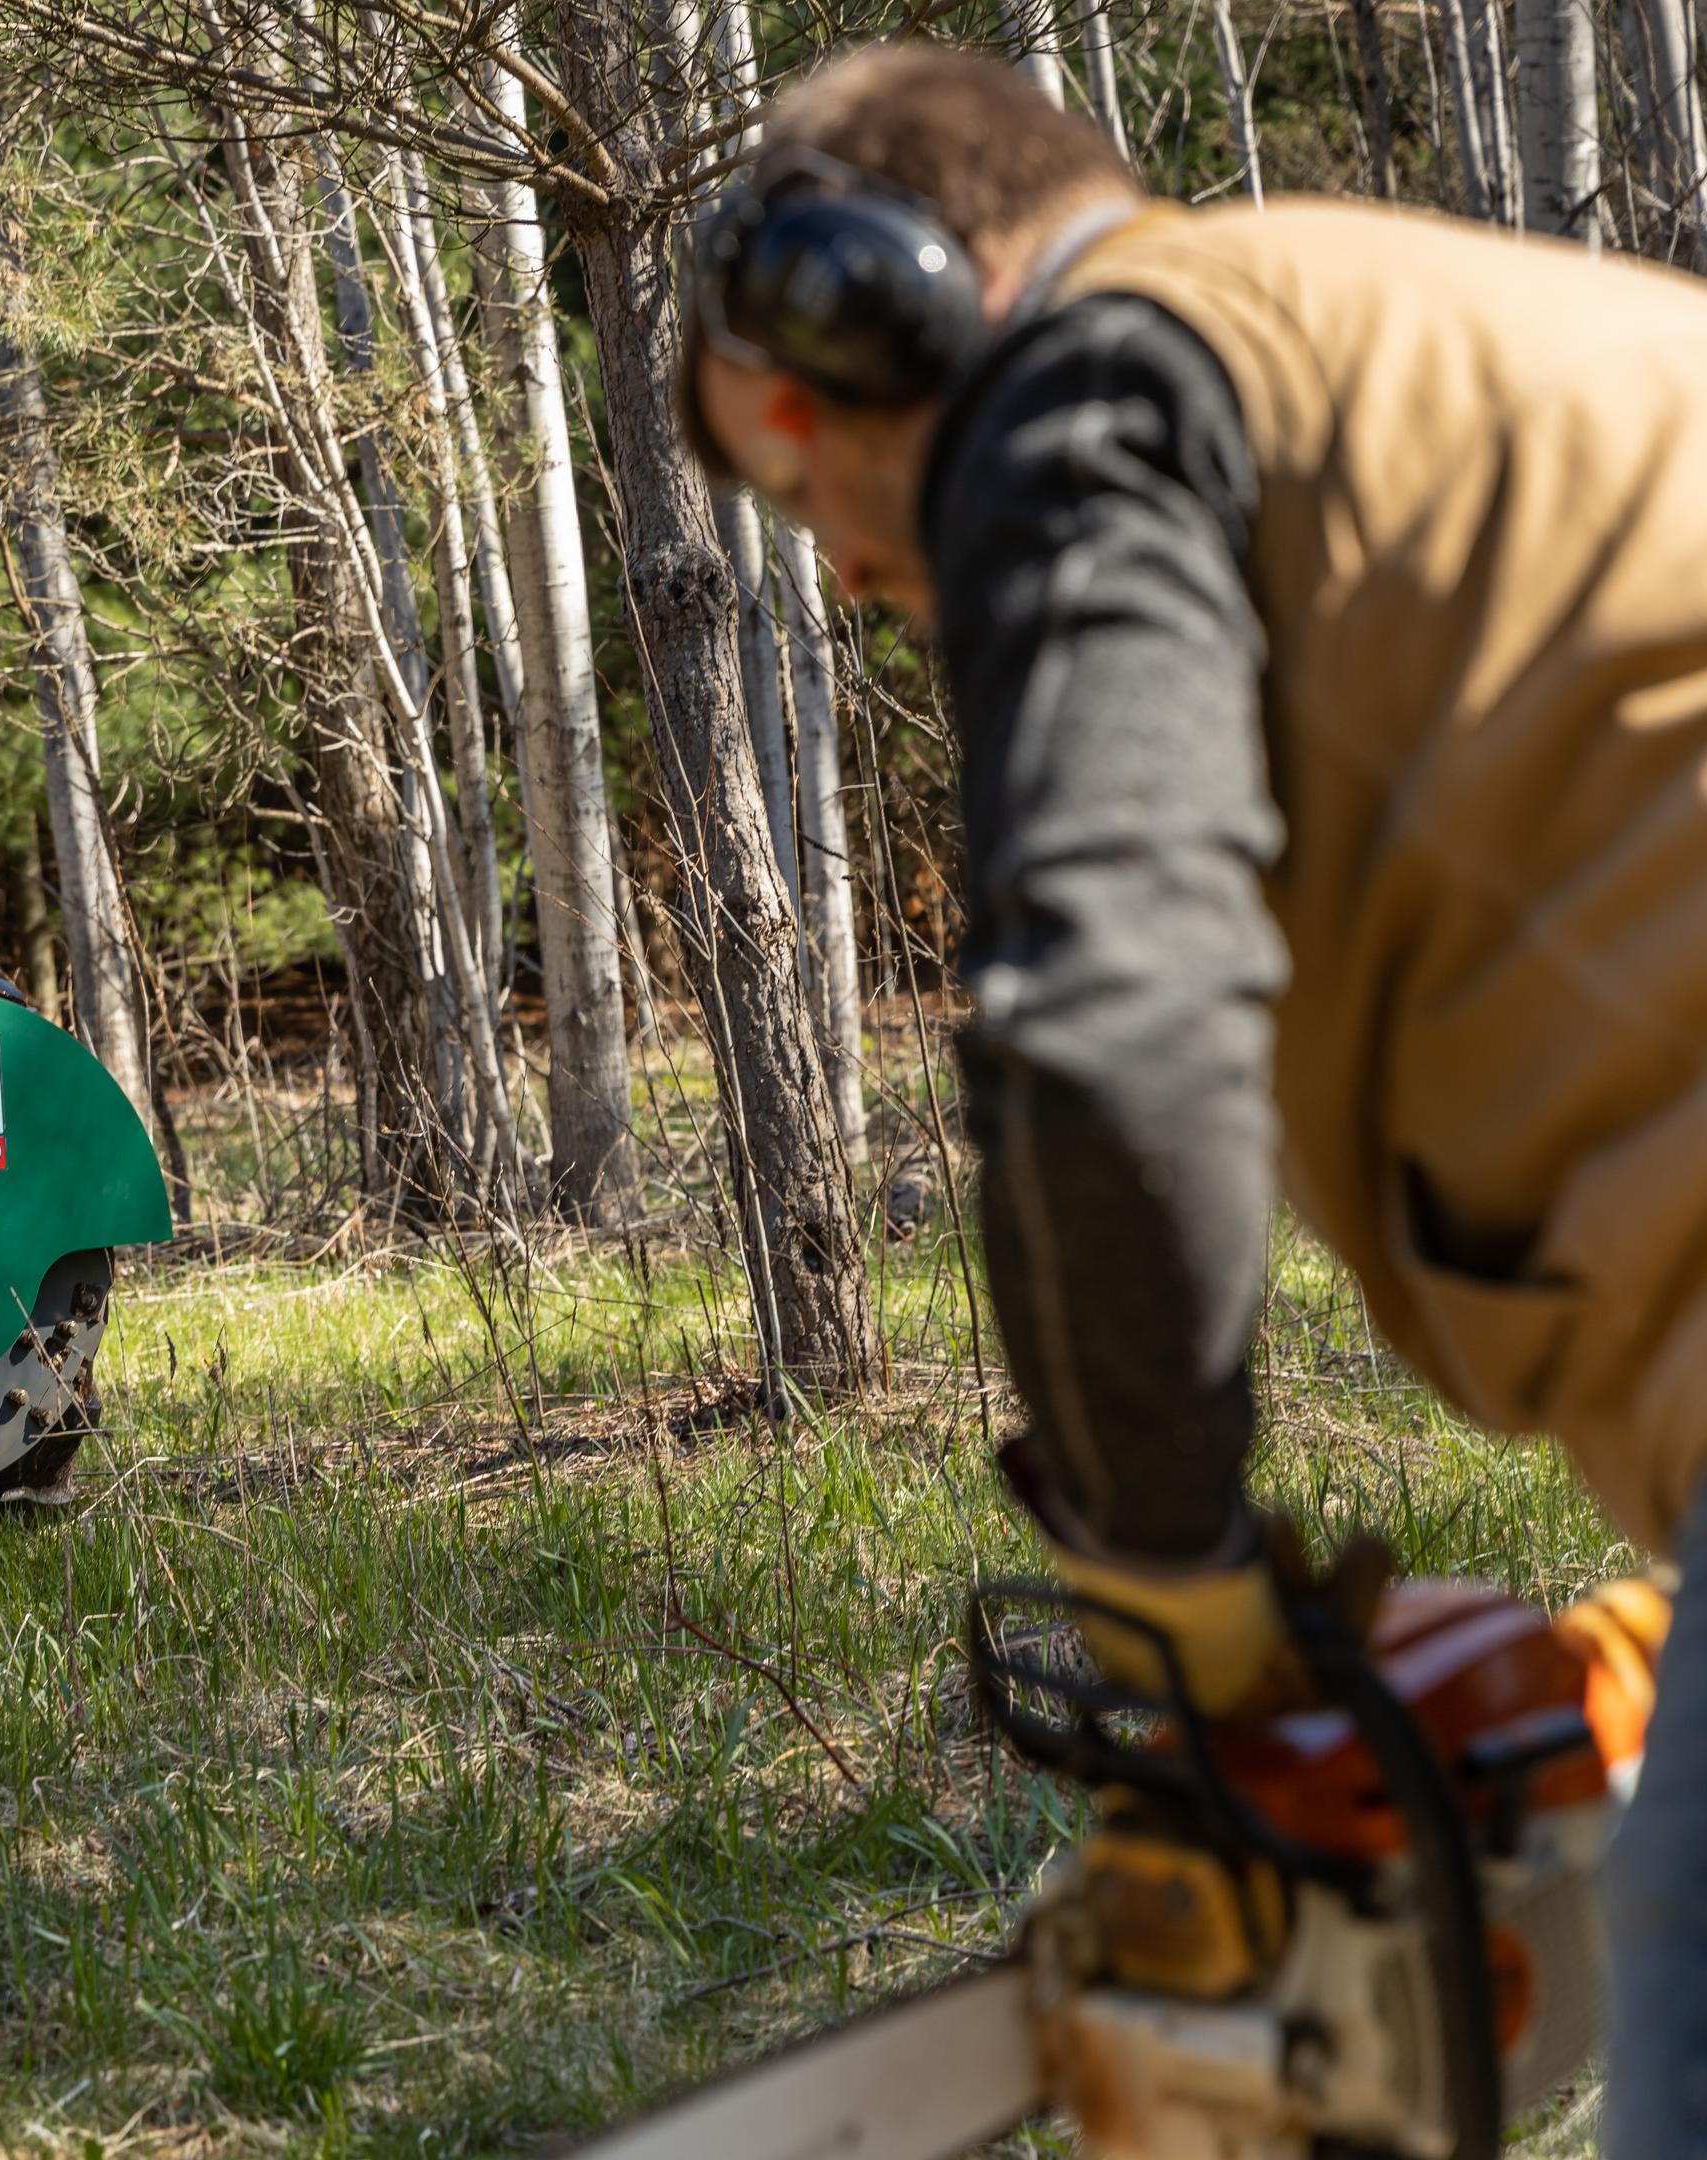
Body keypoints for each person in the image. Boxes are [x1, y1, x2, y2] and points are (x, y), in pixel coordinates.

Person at [679, 41, 1707, 2152]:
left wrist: (1184, 1599)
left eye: (804, 484)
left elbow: (1110, 1032)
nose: (852, 573)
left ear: (883, 300)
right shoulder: (1455, 352)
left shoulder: (1108, 389)